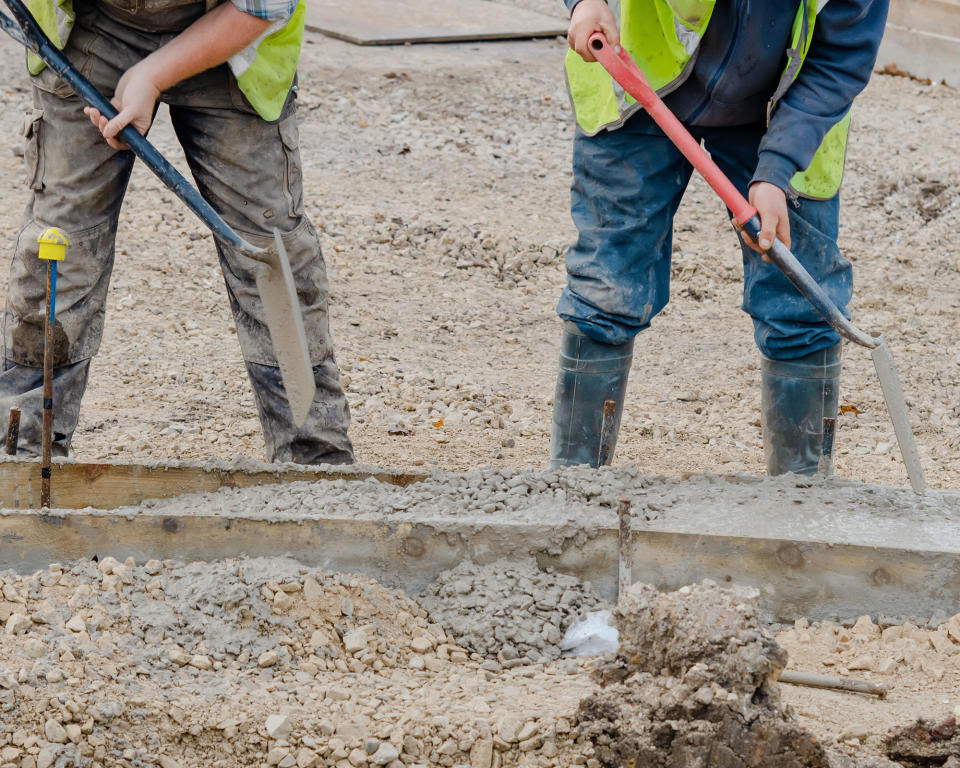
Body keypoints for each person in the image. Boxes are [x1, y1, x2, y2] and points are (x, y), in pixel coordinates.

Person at [1, 0, 354, 465]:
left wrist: (151, 75)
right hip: (94, 28)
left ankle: (315, 459)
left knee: (269, 250)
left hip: (234, 39)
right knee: (60, 248)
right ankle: (22, 452)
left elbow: (263, 5)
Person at [550, 0, 889, 474]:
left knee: (799, 299)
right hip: (637, 78)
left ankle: (802, 503)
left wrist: (776, 169)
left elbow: (842, 55)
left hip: (783, 107)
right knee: (608, 282)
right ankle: (571, 492)